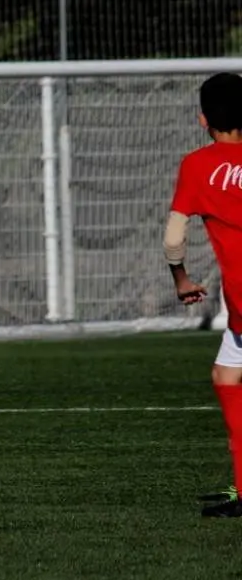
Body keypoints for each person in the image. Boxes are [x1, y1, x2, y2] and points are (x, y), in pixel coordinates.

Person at [163, 71, 242, 518]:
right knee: (226, 376)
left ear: (202, 119)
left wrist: (181, 279)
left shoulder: (197, 165)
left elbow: (174, 236)